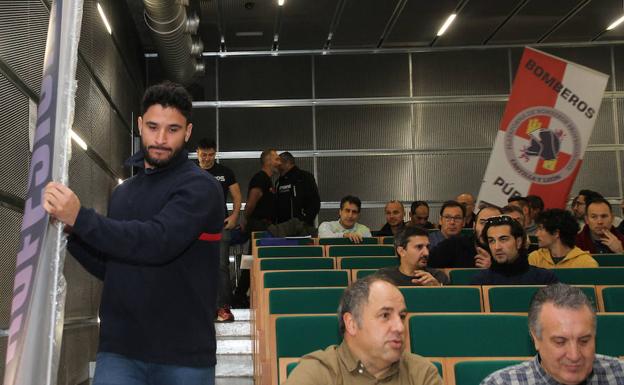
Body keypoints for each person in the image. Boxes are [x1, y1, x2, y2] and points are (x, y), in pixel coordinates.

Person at [43, 81, 223, 384]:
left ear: (188, 132)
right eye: (153, 127)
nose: (161, 138)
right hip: (120, 352)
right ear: (140, 125)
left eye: (173, 129)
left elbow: (158, 241)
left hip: (184, 356)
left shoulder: (201, 188)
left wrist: (81, 218)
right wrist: (72, 232)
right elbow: (113, 265)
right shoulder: (124, 194)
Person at [284, 275, 443, 385]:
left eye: (401, 316)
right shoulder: (317, 373)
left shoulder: (421, 373)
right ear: (352, 323)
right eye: (385, 315)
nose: (400, 327)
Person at [481, 283, 624, 385]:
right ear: (535, 338)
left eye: (584, 341)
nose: (574, 355)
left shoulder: (619, 374)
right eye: (560, 342)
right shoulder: (501, 383)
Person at [197, 138, 242, 323]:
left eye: (211, 155)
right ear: (197, 153)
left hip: (219, 226)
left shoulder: (225, 172)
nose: (207, 159)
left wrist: (234, 216)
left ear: (215, 154)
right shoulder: (188, 170)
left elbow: (237, 196)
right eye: (204, 155)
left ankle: (223, 308)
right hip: (195, 227)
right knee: (196, 267)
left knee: (221, 267)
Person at [471, 215, 558, 285]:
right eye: (491, 241)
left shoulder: (544, 279)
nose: (497, 247)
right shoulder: (480, 281)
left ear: (519, 242)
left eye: (503, 239)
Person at [428, 206, 502, 268]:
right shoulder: (454, 244)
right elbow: (425, 263)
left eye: (493, 223)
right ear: (474, 226)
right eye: (482, 222)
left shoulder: (509, 250)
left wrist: (493, 268)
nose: (486, 228)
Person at [378, 226, 449, 286]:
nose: (426, 253)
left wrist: (438, 290)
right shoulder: (384, 277)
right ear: (401, 251)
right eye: (419, 247)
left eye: (427, 247)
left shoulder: (438, 277)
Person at [272, 151, 320, 236]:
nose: (276, 164)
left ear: (287, 162)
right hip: (283, 230)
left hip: (302, 229)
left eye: (278, 162)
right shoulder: (279, 182)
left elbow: (315, 202)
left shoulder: (304, 177)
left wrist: (304, 222)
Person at [529, 209, 598, 268]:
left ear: (556, 233)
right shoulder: (535, 258)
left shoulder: (586, 263)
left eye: (541, 229)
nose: (536, 234)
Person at [244, 149, 280, 235]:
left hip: (267, 226)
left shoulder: (268, 180)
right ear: (268, 161)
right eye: (277, 159)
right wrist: (245, 220)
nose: (280, 163)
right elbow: (250, 204)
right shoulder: (260, 178)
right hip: (259, 227)